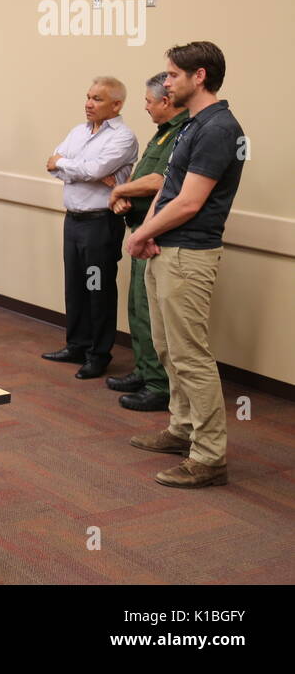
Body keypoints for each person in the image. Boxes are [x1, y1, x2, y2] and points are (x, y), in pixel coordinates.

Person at [127, 42, 245, 489]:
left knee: (191, 356)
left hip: (189, 254)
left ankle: (210, 456)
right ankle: (182, 428)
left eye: (173, 74)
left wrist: (140, 234)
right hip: (165, 248)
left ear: (199, 77)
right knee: (167, 349)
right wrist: (151, 229)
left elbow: (192, 201)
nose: (166, 81)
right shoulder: (190, 125)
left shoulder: (219, 128)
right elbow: (168, 189)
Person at [42, 78, 139, 380]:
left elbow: (92, 169)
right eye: (87, 97)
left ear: (116, 105)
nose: (88, 103)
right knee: (75, 286)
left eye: (97, 99)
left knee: (98, 289)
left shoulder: (123, 137)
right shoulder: (78, 131)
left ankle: (98, 354)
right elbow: (51, 165)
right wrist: (81, 169)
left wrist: (72, 166)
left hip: (101, 222)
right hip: (73, 219)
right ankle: (77, 345)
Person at [105, 73, 189, 412]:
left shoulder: (182, 133)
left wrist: (121, 190)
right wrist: (124, 198)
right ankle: (144, 370)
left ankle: (158, 385)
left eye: (149, 102)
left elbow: (161, 180)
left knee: (151, 313)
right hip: (140, 226)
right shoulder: (161, 134)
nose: (146, 107)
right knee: (138, 308)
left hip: (159, 235)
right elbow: (145, 179)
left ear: (166, 102)